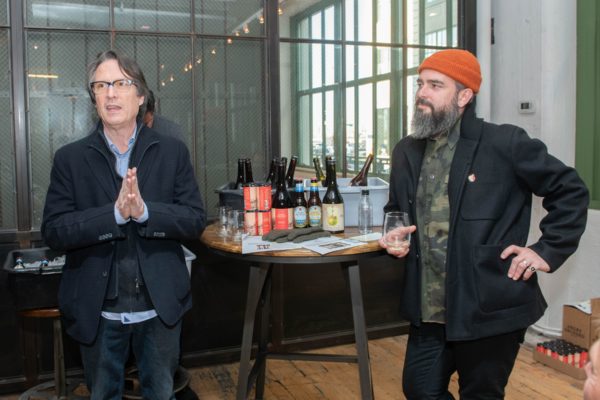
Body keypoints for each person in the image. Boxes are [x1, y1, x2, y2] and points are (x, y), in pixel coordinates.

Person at [379, 49, 589, 399]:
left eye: (435, 85)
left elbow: (570, 190)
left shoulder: (504, 142)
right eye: (420, 84)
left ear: (464, 96)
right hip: (429, 309)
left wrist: (545, 250)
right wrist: (393, 233)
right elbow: (396, 209)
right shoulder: (406, 151)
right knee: (419, 389)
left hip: (489, 307)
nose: (422, 93)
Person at [41, 50, 206, 399]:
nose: (111, 93)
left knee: (161, 393)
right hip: (97, 309)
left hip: (160, 306)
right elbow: (54, 230)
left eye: (121, 83)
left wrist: (145, 212)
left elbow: (194, 219)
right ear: (94, 97)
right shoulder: (70, 159)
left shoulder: (172, 151)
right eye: (101, 85)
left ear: (141, 95)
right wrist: (113, 215)